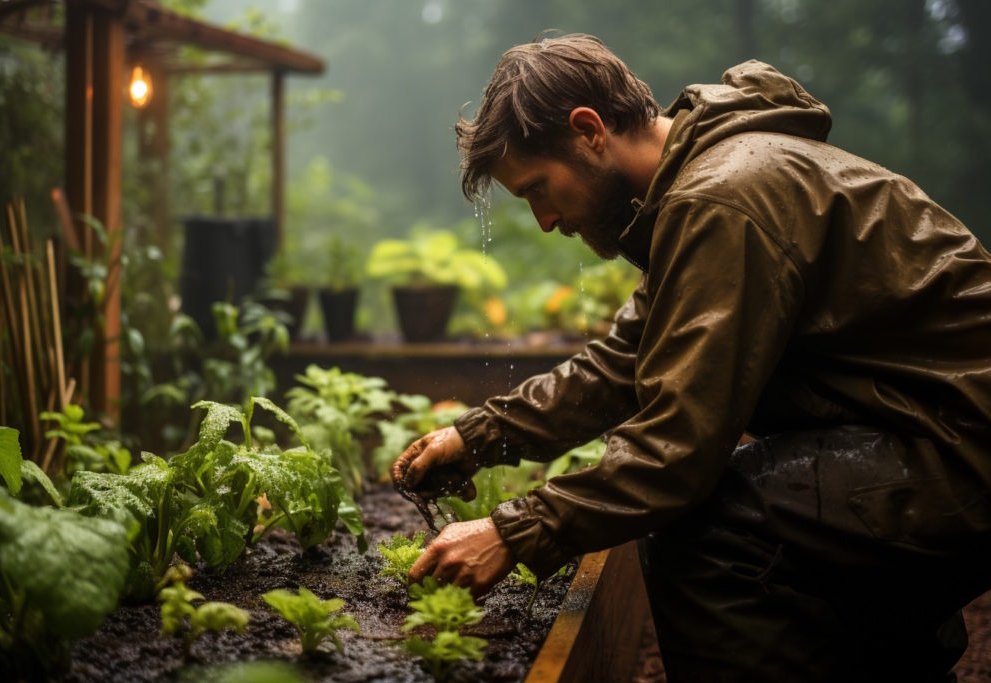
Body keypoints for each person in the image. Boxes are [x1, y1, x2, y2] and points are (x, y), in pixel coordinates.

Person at [391, 33, 991, 682]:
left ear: (590, 130)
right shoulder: (704, 185)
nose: (543, 218)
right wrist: (479, 434)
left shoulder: (723, 197)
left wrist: (513, 531)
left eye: (539, 187)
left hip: (960, 446)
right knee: (784, 499)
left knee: (709, 529)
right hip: (934, 431)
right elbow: (624, 360)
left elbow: (678, 450)